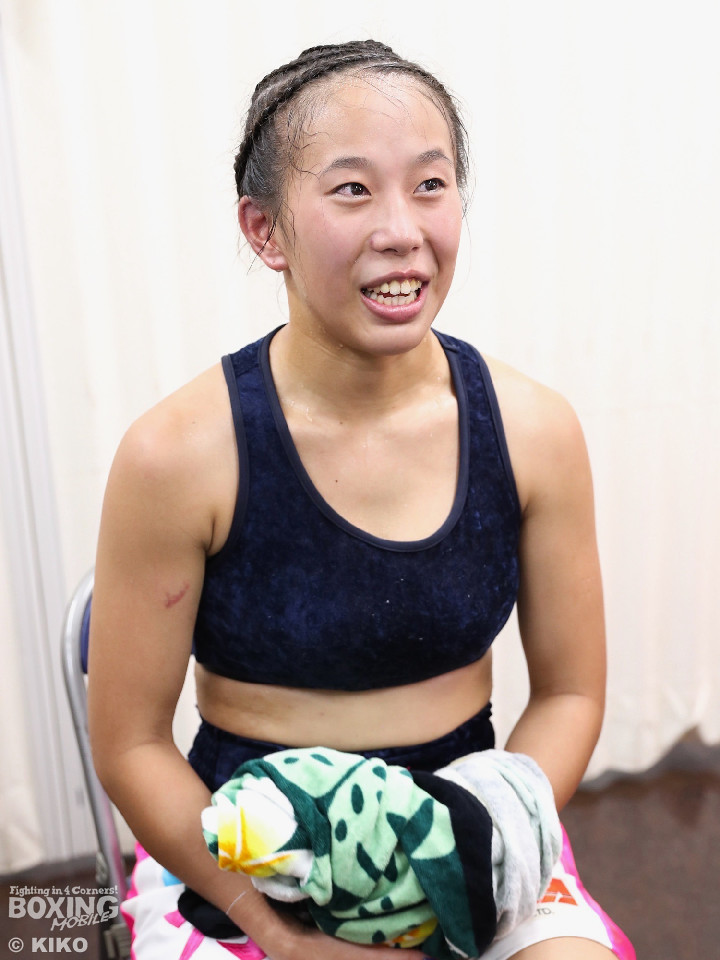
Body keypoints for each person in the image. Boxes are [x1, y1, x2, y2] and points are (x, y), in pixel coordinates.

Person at [88, 40, 634, 960]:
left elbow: (572, 693)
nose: (401, 229)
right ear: (265, 230)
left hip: (474, 834)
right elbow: (132, 745)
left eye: (430, 185)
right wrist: (280, 934)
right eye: (352, 190)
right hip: (247, 863)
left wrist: (479, 843)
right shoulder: (175, 456)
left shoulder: (535, 430)